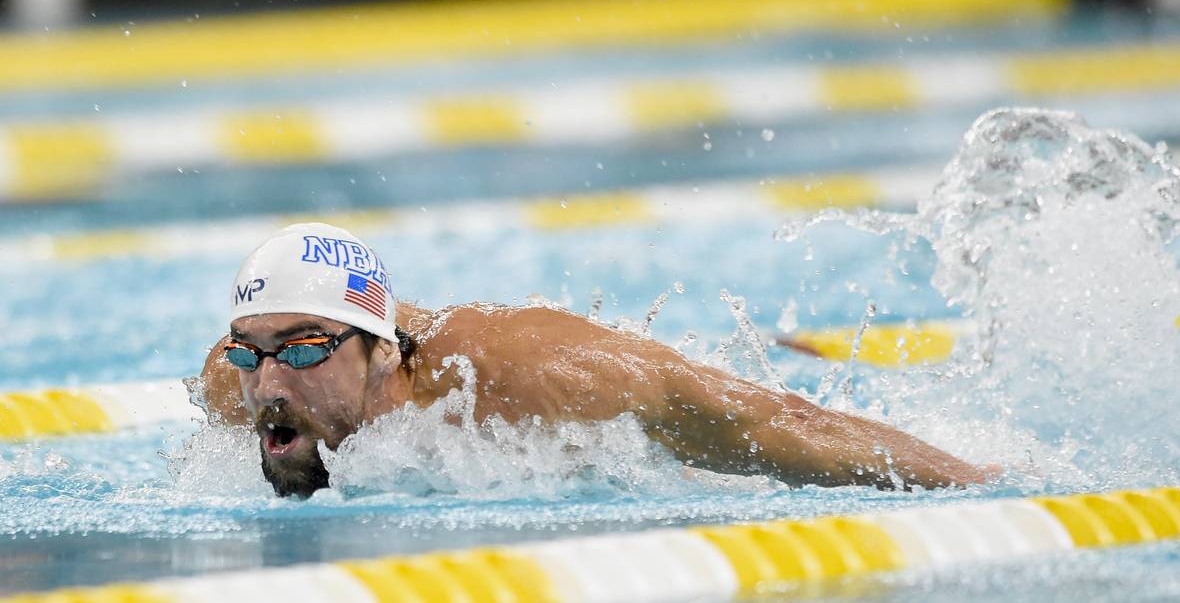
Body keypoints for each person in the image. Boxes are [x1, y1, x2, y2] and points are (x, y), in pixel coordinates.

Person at [199, 223, 997, 497]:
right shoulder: (238, 386)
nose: (269, 382)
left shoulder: (526, 384)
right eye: (252, 351)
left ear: (382, 353)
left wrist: (984, 489)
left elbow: (784, 423)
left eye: (304, 349)